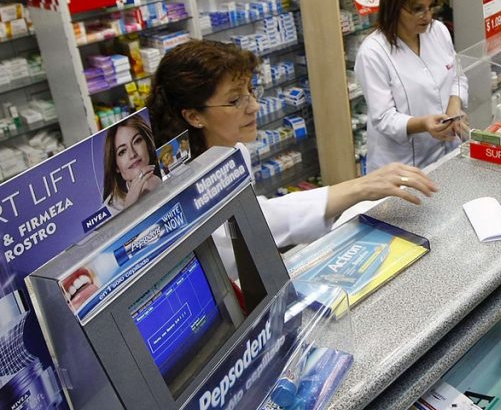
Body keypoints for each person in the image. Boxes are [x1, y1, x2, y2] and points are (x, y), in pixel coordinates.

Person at [147, 39, 439, 277]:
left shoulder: (233, 151)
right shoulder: (177, 186)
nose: (254, 107)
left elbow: (253, 219)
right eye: (235, 100)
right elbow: (243, 232)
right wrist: (357, 188)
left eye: (251, 92)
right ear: (194, 115)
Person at [354, 0, 469, 173]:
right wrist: (424, 124)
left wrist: (454, 107)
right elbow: (384, 118)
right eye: (417, 9)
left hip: (448, 153)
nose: (427, 16)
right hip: (402, 167)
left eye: (431, 7)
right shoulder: (373, 53)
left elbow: (457, 77)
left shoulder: (438, 32)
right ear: (394, 8)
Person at [102, 115, 161, 215]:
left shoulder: (169, 165)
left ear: (148, 144)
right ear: (116, 167)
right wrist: (129, 210)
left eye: (137, 141)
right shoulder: (109, 209)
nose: (133, 154)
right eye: (122, 151)